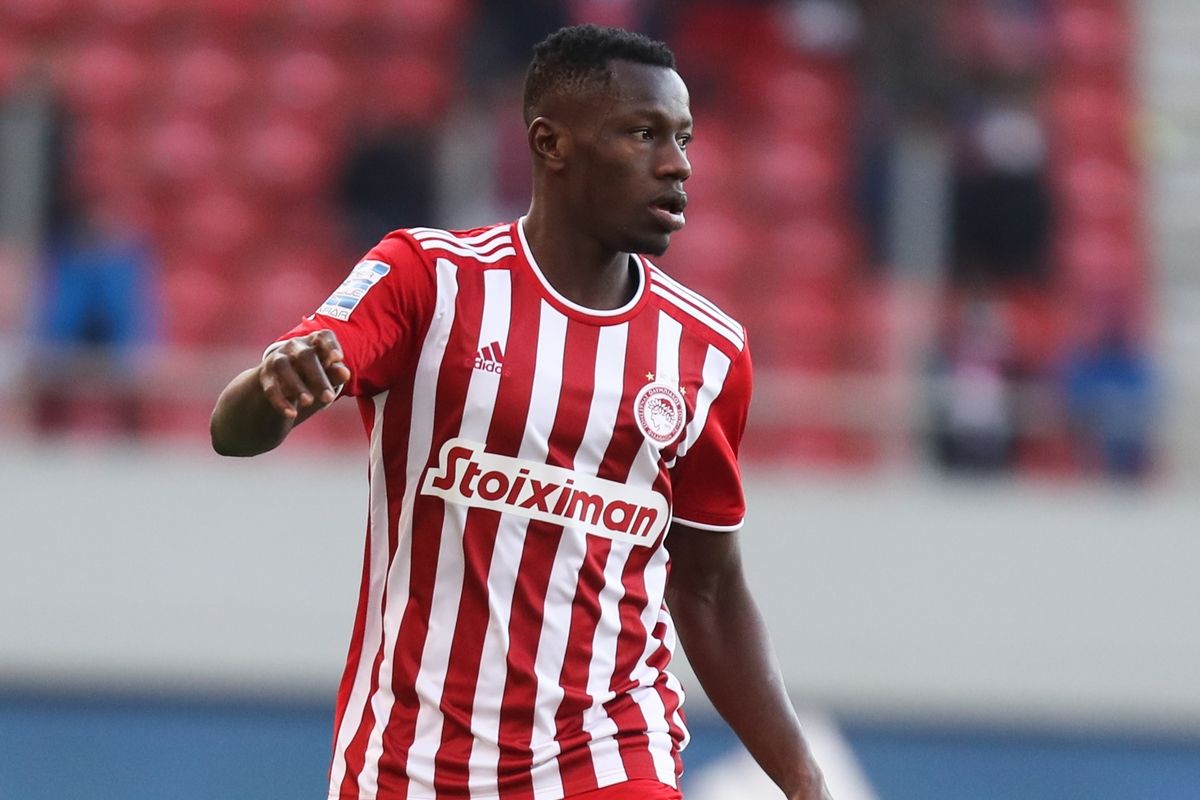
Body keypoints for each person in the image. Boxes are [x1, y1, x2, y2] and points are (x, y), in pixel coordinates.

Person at [211, 25, 832, 800]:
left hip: (608, 755)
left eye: (683, 139)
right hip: (410, 761)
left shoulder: (707, 352)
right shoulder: (427, 280)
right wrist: (273, 391)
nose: (677, 164)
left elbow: (707, 589)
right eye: (643, 134)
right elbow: (233, 431)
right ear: (551, 144)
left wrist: (803, 778)